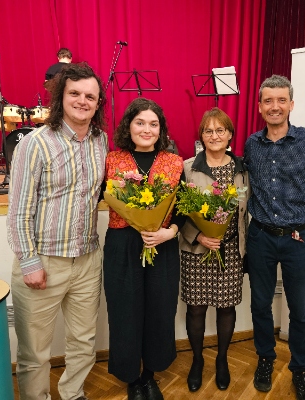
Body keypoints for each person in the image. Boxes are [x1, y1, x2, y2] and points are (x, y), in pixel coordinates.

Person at [7, 62, 109, 400]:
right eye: (75, 93)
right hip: (44, 261)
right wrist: (29, 263)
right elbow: (19, 210)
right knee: (34, 351)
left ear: (98, 102)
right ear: (61, 97)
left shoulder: (101, 140)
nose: (82, 101)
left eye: (90, 96)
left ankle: (72, 393)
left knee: (83, 341)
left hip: (87, 259)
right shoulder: (35, 143)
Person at [244, 75, 305, 400]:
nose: (275, 106)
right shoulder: (251, 144)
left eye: (281, 100)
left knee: (299, 310)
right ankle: (265, 358)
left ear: (291, 104)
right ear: (260, 107)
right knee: (260, 305)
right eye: (268, 101)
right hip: (260, 237)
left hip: (298, 239)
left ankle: (300, 369)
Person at [103, 98, 185, 400]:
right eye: (140, 123)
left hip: (161, 245)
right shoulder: (112, 160)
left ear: (161, 129)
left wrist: (169, 232)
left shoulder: (174, 162)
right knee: (125, 313)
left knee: (160, 311)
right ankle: (132, 378)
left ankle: (150, 374)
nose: (146, 129)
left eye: (153, 124)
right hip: (122, 246)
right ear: (129, 126)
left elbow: (183, 208)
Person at [179, 107, 249, 392]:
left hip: (230, 250)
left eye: (220, 130)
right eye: (208, 131)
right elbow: (177, 212)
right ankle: (197, 360)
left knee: (226, 307)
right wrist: (198, 236)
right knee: (195, 309)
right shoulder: (187, 168)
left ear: (230, 134)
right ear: (201, 136)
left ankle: (222, 359)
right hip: (196, 251)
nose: (215, 135)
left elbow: (245, 213)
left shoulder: (242, 168)